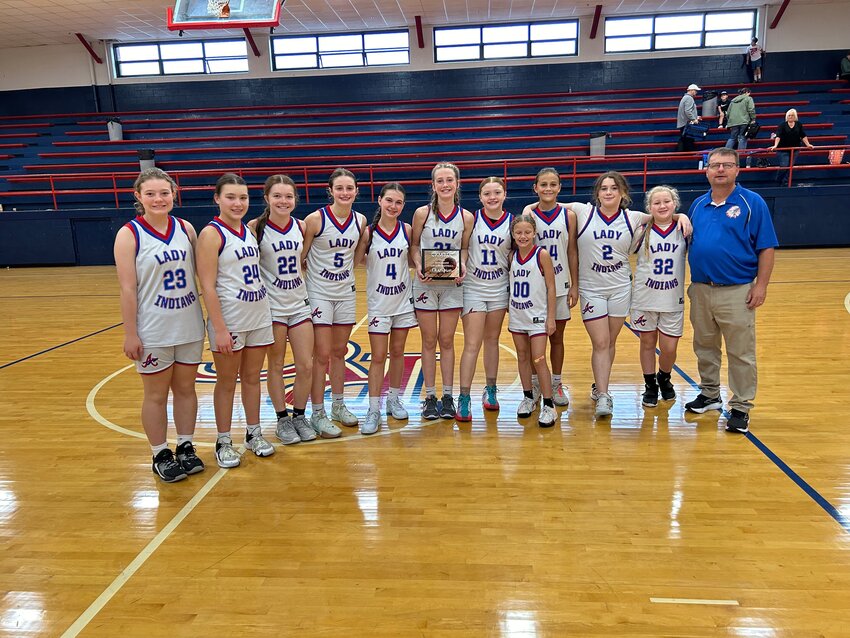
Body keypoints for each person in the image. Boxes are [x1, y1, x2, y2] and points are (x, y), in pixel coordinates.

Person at [563, 172, 691, 418]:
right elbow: (551, 203)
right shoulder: (582, 211)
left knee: (610, 343)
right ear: (597, 193)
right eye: (604, 188)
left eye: (614, 188)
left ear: (623, 193)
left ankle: (600, 384)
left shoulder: (633, 218)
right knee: (600, 343)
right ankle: (603, 394)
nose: (608, 192)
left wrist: (681, 215)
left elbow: (662, 214)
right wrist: (530, 205)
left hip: (621, 288)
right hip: (592, 289)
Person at [114, 168, 206, 483]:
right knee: (155, 395)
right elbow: (127, 289)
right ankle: (159, 452)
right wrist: (130, 333)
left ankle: (185, 445)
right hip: (153, 328)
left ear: (174, 194)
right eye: (151, 193)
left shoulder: (186, 229)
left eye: (164, 193)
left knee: (185, 389)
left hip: (190, 323)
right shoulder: (129, 234)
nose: (158, 199)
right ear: (138, 197)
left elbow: (204, 274)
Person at [684, 147, 778, 434]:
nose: (720, 170)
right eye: (715, 165)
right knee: (705, 347)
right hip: (701, 289)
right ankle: (710, 394)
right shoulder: (698, 205)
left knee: (741, 352)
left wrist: (760, 286)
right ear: (707, 170)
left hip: (737, 290)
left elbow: (766, 247)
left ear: (737, 169)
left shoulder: (752, 203)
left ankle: (740, 406)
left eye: (727, 165)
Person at [196, 173, 276, 468]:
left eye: (243, 198)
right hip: (230, 319)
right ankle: (223, 440)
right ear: (217, 198)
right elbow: (207, 285)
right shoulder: (211, 234)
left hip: (258, 314)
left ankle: (253, 434)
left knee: (254, 379)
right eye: (231, 197)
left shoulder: (250, 230)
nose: (238, 203)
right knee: (227, 382)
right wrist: (219, 329)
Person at [250, 175, 317, 445]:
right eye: (277, 196)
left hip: (299, 303)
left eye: (288, 196)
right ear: (267, 198)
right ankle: (282, 419)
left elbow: (304, 261)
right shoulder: (256, 228)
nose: (283, 201)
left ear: (295, 200)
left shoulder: (301, 227)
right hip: (272, 307)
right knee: (276, 365)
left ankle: (299, 414)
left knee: (306, 365)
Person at [302, 168, 368, 438]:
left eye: (349, 188)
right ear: (330, 191)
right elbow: (301, 257)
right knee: (322, 355)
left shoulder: (360, 220)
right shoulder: (315, 220)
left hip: (345, 292)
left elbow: (357, 257)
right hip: (319, 293)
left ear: (356, 191)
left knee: (340, 351)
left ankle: (338, 405)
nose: (344, 193)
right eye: (339, 188)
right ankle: (317, 413)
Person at [410, 162, 474, 421]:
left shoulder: (466, 217)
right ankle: (430, 396)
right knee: (428, 341)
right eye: (440, 181)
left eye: (450, 180)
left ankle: (448, 396)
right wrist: (417, 265)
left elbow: (465, 248)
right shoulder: (421, 214)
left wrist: (464, 266)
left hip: (451, 285)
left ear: (457, 184)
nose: (445, 185)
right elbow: (414, 245)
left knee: (446, 340)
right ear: (433, 185)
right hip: (426, 283)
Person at [354, 183, 415, 435]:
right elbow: (356, 260)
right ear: (379, 201)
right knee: (378, 357)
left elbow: (414, 260)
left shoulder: (407, 230)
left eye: (398, 202)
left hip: (402, 301)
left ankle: (393, 398)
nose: (393, 206)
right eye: (389, 200)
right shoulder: (368, 232)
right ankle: (373, 408)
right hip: (379, 303)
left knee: (398, 352)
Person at [520, 168, 578, 408]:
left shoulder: (569, 215)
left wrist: (575, 284)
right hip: (535, 287)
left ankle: (556, 382)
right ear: (535, 187)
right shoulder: (529, 213)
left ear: (559, 187)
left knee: (557, 337)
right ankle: (535, 382)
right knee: (535, 338)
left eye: (553, 184)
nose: (548, 189)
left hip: (561, 283)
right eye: (543, 184)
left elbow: (572, 251)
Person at [456, 177, 513, 421]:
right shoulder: (471, 219)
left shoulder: (513, 221)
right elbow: (463, 247)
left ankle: (490, 390)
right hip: (474, 288)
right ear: (480, 197)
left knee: (492, 340)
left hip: (499, 288)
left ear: (504, 194)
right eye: (487, 193)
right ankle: (464, 396)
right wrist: (460, 264)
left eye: (496, 192)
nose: (492, 197)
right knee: (472, 343)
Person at [630, 186, 687, 408]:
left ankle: (664, 376)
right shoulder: (642, 230)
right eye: (656, 203)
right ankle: (650, 384)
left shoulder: (684, 227)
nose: (662, 206)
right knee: (646, 343)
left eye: (667, 202)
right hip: (645, 297)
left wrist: (681, 217)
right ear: (649, 207)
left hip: (672, 298)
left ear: (674, 204)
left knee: (669, 348)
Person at [508, 214, 557, 428]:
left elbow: (551, 288)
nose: (523, 236)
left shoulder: (542, 254)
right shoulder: (511, 256)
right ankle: (528, 396)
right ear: (512, 234)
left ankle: (549, 404)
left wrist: (551, 317)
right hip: (517, 315)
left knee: (538, 359)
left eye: (527, 232)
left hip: (538, 316)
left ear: (534, 233)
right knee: (522, 356)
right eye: (519, 232)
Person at [769, 108, 815, 186]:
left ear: (795, 116)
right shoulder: (782, 125)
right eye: (789, 115)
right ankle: (778, 181)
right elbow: (778, 136)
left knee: (790, 166)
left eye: (792, 115)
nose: (790, 117)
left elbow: (803, 135)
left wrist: (808, 144)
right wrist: (775, 145)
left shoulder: (799, 124)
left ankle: (785, 182)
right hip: (783, 149)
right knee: (784, 166)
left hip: (795, 149)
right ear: (787, 116)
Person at [725, 87, 756, 152]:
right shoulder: (748, 98)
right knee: (742, 138)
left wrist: (729, 121)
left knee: (732, 138)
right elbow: (751, 109)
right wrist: (753, 119)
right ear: (747, 92)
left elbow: (728, 113)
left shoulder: (733, 100)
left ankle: (725, 153)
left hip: (733, 122)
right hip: (744, 121)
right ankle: (741, 154)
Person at [676, 84, 702, 152]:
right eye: (696, 91)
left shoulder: (685, 98)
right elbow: (687, 111)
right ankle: (691, 155)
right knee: (688, 140)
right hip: (687, 123)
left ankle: (680, 154)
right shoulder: (689, 98)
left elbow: (687, 111)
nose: (696, 92)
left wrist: (695, 117)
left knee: (683, 139)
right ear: (692, 90)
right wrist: (694, 119)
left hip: (683, 123)